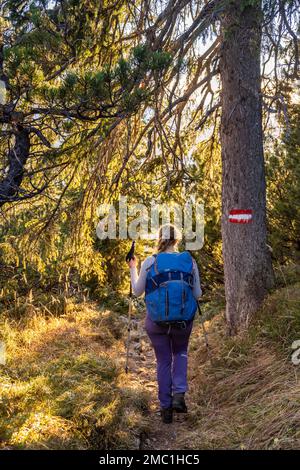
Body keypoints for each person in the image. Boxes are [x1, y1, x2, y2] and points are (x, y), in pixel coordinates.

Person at [127, 224, 202, 424]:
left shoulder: (150, 261)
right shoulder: (189, 261)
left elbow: (137, 291)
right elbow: (198, 294)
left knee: (163, 360)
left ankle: (165, 408)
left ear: (159, 239)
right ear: (176, 240)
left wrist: (133, 268)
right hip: (183, 321)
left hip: (157, 322)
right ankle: (179, 395)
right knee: (180, 353)